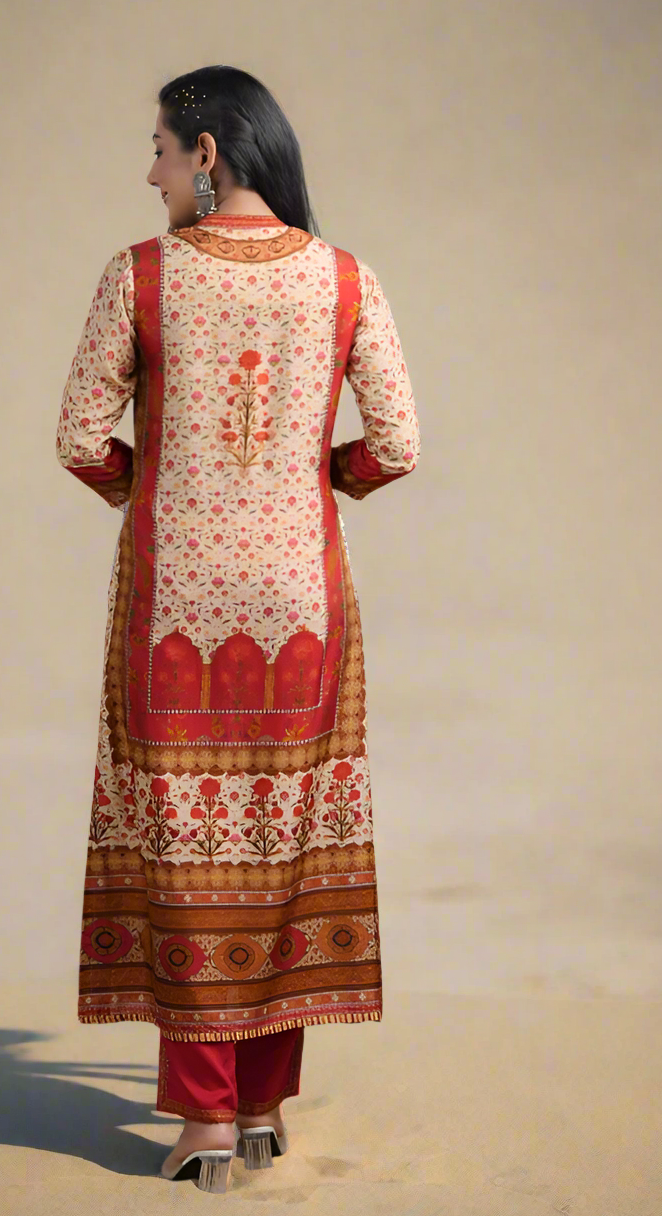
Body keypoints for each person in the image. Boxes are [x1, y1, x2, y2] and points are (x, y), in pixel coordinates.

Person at [55, 64, 421, 1193]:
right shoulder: (345, 278)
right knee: (283, 839)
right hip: (302, 602)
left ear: (207, 152)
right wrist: (318, 481)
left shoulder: (140, 275)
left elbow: (79, 439)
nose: (150, 172)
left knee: (184, 842)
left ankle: (204, 1121)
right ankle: (261, 1109)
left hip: (173, 602)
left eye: (160, 149)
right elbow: (397, 445)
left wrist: (155, 487)